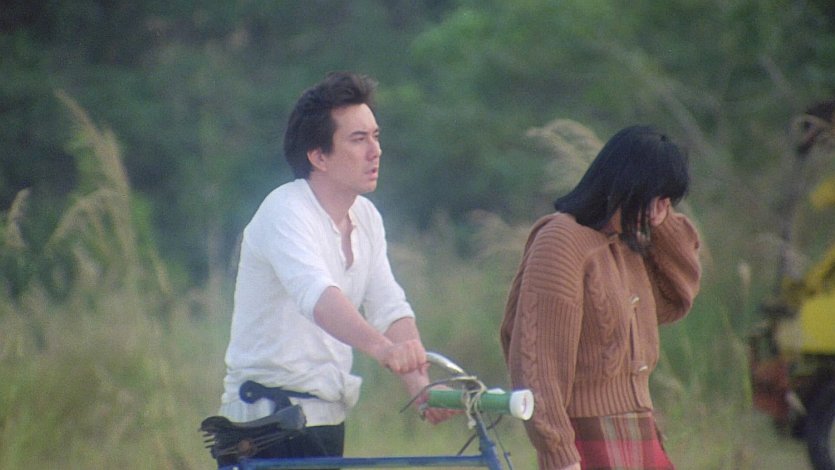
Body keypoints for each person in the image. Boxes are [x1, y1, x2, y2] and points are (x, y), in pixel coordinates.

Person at [215, 71, 450, 466]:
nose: (375, 151)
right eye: (358, 139)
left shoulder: (367, 217)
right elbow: (320, 298)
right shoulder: (284, 210)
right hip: (263, 426)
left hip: (326, 420)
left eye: (376, 136)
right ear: (318, 156)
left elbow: (388, 305)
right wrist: (384, 349)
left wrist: (418, 384)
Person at [500, 125, 702, 470]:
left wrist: (660, 220)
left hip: (640, 431)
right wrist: (558, 454)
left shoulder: (630, 243)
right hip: (586, 439)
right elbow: (538, 361)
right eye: (658, 198)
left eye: (669, 202)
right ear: (628, 187)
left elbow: (678, 294)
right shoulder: (562, 240)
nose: (662, 210)